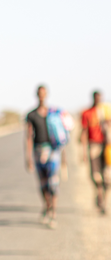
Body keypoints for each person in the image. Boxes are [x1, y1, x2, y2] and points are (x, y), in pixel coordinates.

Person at [25, 85, 61, 229]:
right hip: (38, 151)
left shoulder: (53, 114)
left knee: (53, 183)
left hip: (53, 151)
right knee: (43, 184)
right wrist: (28, 157)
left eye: (43, 94)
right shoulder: (31, 115)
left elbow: (60, 135)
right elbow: (28, 137)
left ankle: (53, 212)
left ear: (46, 95)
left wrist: (63, 158)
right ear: (36, 95)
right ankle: (47, 206)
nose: (41, 96)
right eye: (39, 94)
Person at [81, 91, 111, 214]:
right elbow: (84, 132)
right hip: (94, 145)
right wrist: (84, 151)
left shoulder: (106, 112)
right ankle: (99, 194)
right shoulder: (87, 113)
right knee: (96, 175)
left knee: (108, 176)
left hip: (107, 146)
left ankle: (104, 201)